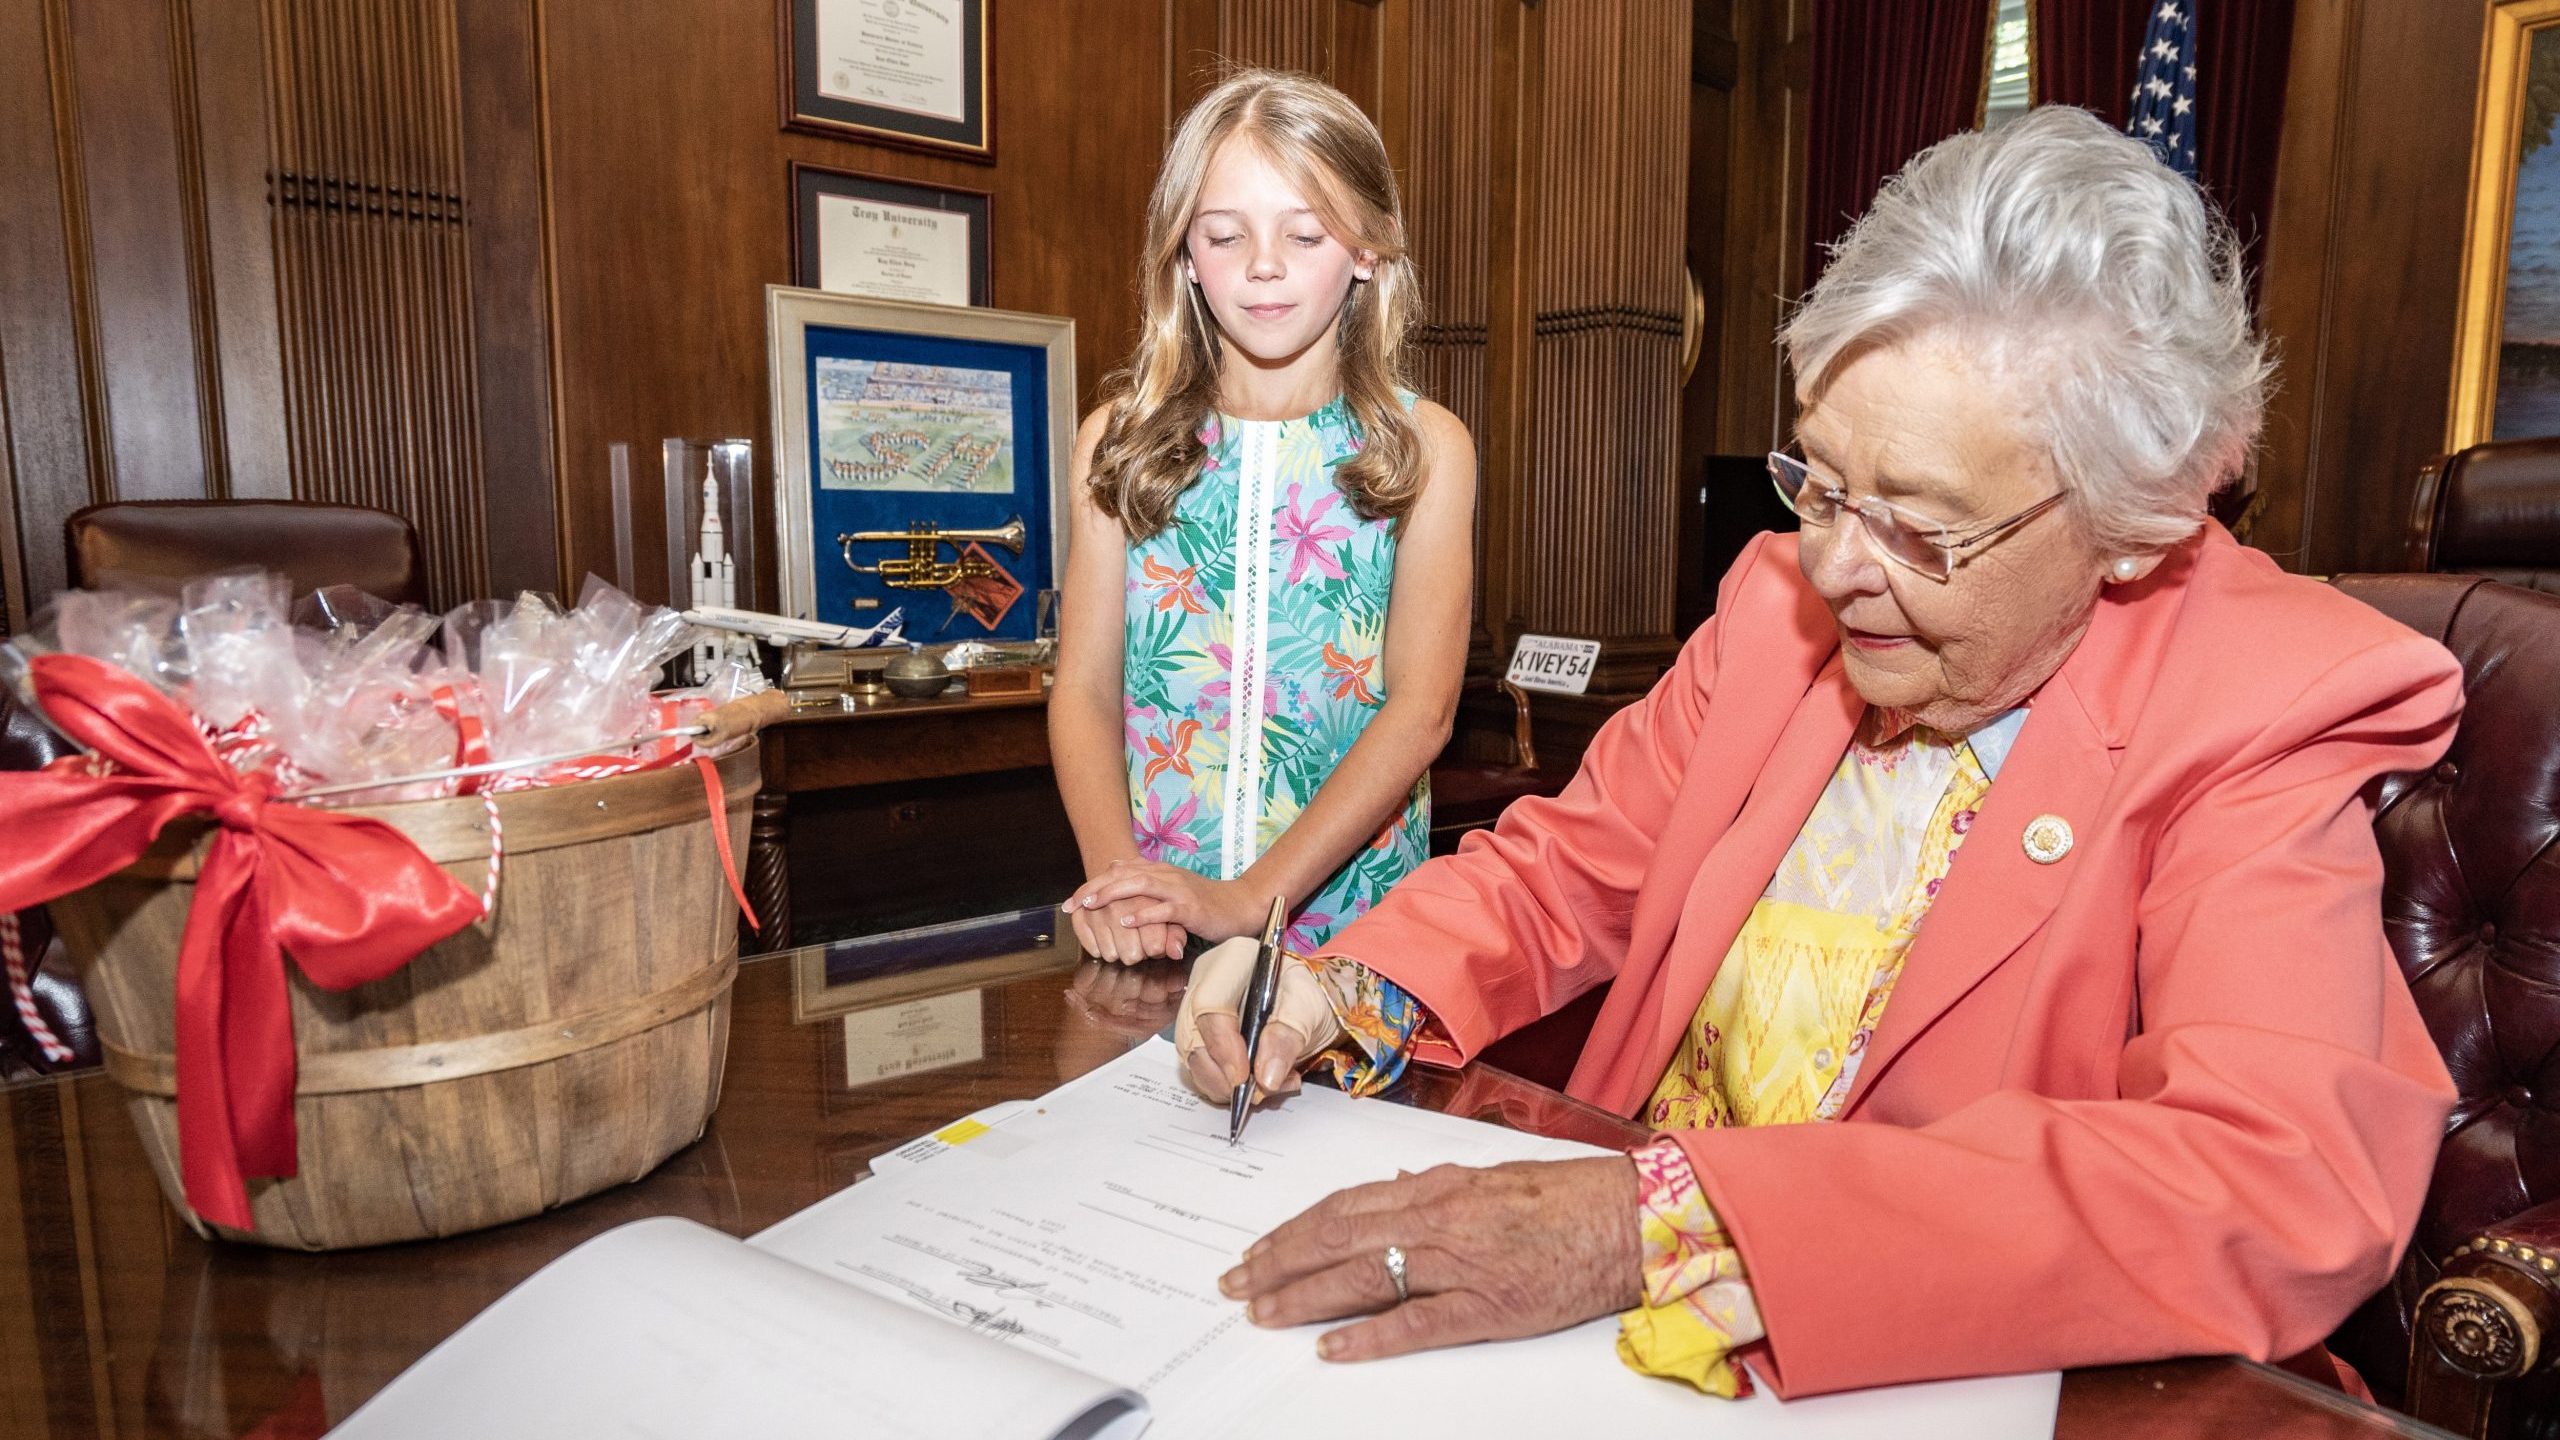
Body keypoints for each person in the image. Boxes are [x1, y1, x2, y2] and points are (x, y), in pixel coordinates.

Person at [1175, 106, 2467, 1399]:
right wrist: (1345, 990)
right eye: (1826, 483)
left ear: (2140, 522)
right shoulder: (1774, 606)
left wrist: (1664, 1229)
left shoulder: (2261, 702)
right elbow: (1564, 873)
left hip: (1940, 1372)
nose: (1837, 567)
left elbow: (2277, 1175)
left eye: (1921, 528)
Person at [1050, 70, 1476, 977]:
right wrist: (1123, 884)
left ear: (1367, 248)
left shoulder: (1425, 450)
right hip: (1156, 931)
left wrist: (1250, 901)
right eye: (1225, 233)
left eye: (1304, 232)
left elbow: (1422, 712)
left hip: (1354, 945)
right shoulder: (1117, 443)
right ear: (1185, 255)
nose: (1263, 264)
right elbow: (1082, 689)